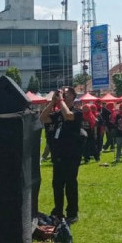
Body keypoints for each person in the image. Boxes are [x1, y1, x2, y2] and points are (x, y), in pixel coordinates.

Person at [40, 87, 83, 223]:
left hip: (71, 154)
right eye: (63, 94)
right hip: (58, 154)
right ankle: (58, 211)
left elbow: (68, 115)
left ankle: (72, 213)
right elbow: (43, 118)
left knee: (70, 184)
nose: (64, 95)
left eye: (67, 93)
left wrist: (61, 101)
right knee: (57, 185)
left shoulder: (77, 112)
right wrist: (53, 103)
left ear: (73, 96)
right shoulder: (58, 113)